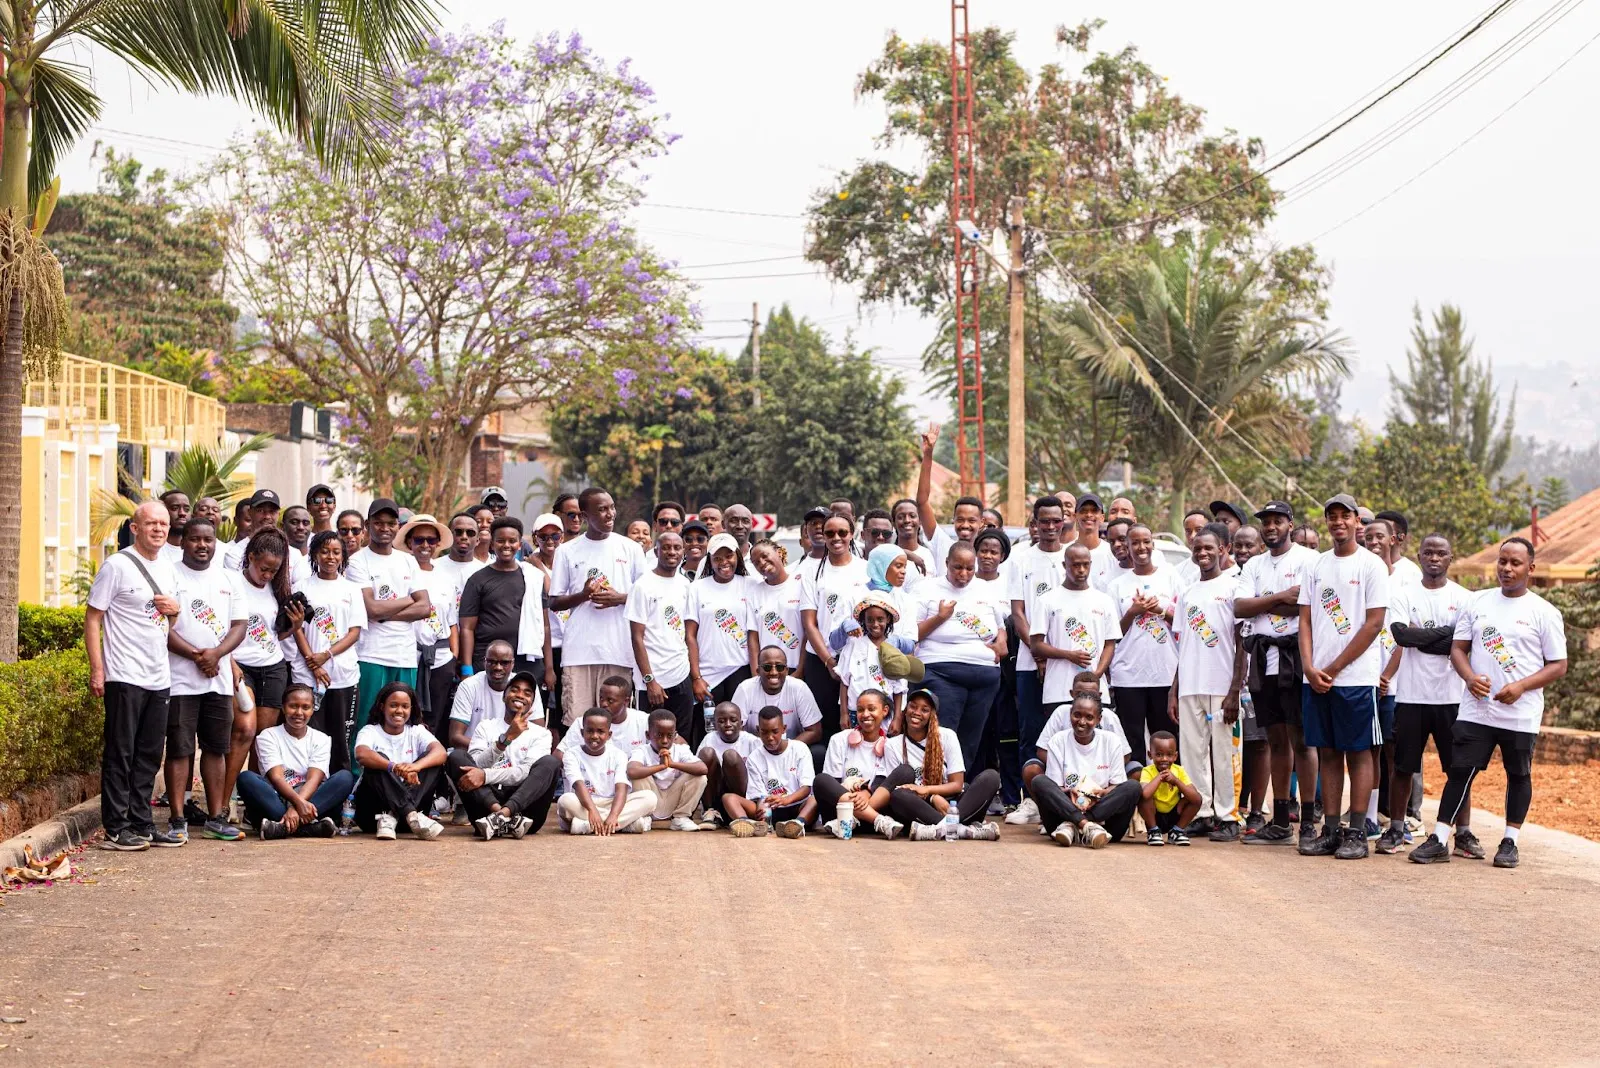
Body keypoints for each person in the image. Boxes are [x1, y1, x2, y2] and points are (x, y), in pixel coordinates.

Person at [1412, 538, 1567, 869]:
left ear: (1531, 569)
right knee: (1460, 771)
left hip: (1520, 712)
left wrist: (1521, 686)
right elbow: (1458, 649)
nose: (1507, 569)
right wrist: (1469, 678)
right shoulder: (1477, 603)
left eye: (1515, 563)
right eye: (1502, 562)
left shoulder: (1544, 612)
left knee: (1518, 774)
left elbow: (1558, 664)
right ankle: (1439, 838)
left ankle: (1510, 841)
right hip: (1477, 709)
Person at [1297, 494, 1390, 860]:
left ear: (1357, 522)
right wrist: (1309, 666)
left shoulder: (1371, 566)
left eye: (1344, 516)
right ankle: (1331, 829)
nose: (1338, 522)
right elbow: (1304, 619)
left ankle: (1356, 833)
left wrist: (1333, 668)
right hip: (1316, 677)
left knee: (1359, 752)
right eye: (1331, 516)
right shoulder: (1316, 566)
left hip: (1354, 678)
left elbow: (1375, 623)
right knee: (1328, 752)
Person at [1378, 533, 1477, 856]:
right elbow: (1401, 635)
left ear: (1450, 558)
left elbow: (1464, 645)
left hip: (1452, 697)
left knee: (1458, 769)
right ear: (1419, 556)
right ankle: (1395, 829)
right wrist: (1447, 635)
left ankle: (1462, 833)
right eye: (1428, 553)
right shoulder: (1404, 594)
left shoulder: (1464, 598)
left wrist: (1428, 638)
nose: (1434, 558)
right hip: (1411, 696)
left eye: (1441, 554)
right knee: (1404, 767)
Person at [1235, 501, 1320, 846]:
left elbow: (1304, 605)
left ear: (1290, 523)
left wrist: (1265, 600)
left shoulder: (1309, 560)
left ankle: (1311, 821)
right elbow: (1240, 607)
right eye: (1266, 522)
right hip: (1263, 658)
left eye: (1277, 521)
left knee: (1302, 739)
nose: (1271, 527)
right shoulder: (1254, 563)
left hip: (1296, 658)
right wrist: (1281, 597)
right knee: (1276, 740)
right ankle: (1281, 819)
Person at [164, 515, 247, 844]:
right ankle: (177, 819)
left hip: (218, 681)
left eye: (208, 540)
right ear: (183, 542)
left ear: (216, 543)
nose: (202, 545)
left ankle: (215, 818)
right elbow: (163, 629)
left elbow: (239, 625)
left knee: (216, 748)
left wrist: (216, 655)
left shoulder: (229, 579)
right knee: (180, 749)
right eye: (195, 539)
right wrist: (199, 656)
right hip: (181, 679)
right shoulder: (169, 576)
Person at [1171, 528, 1246, 841]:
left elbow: (1242, 644)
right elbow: (1182, 644)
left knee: (1225, 754)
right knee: (1192, 753)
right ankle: (1201, 812)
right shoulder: (1188, 592)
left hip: (1221, 686)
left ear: (1223, 549)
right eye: (1197, 548)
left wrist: (1234, 690)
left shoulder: (1234, 587)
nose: (1202, 553)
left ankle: (1228, 816)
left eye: (1209, 548)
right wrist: (1173, 691)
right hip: (1190, 685)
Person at [550, 487, 646, 726]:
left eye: (611, 507)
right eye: (602, 509)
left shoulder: (631, 549)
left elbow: (648, 597)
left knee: (615, 725)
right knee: (578, 724)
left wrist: (621, 598)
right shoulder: (566, 551)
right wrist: (583, 595)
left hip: (620, 652)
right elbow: (554, 602)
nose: (610, 514)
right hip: (578, 653)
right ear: (584, 516)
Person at [915, 542, 1007, 770]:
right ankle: (935, 787)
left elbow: (1000, 626)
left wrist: (1002, 642)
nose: (963, 574)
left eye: (969, 568)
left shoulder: (985, 589)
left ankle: (959, 791)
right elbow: (912, 634)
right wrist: (940, 617)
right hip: (941, 670)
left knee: (971, 740)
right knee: (944, 734)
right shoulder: (926, 589)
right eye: (957, 567)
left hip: (984, 674)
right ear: (946, 563)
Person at [346, 498, 432, 742]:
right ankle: (359, 774)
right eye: (378, 523)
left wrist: (384, 612)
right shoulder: (357, 561)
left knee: (403, 720)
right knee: (367, 718)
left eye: (391, 523)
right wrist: (407, 600)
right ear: (367, 525)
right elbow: (371, 609)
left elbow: (424, 607)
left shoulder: (407, 560)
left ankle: (394, 772)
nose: (385, 528)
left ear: (398, 525)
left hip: (405, 655)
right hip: (371, 654)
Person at [1006, 496, 1068, 826]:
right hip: (1030, 664)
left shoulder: (1072, 557)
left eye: (1055, 520)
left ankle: (1061, 799)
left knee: (1064, 732)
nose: (1049, 526)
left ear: (1063, 522)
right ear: (1035, 522)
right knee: (1030, 731)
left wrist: (1053, 655)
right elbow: (1018, 613)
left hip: (1069, 664)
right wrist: (1038, 653)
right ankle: (1030, 799)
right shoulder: (1020, 560)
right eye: (1043, 520)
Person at [446, 669, 560, 839]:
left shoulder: (541, 734)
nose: (520, 695)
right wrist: (504, 740)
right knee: (456, 757)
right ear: (504, 696)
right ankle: (498, 815)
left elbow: (525, 773)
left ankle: (503, 815)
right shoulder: (486, 726)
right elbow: (475, 766)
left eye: (527, 693)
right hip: (485, 809)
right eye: (514, 689)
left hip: (525, 812)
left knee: (550, 763)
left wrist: (485, 775)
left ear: (532, 703)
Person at [231, 527, 297, 817]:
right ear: (251, 557)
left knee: (263, 737)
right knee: (243, 731)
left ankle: (253, 805)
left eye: (274, 570)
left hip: (272, 666)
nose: (267, 575)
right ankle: (225, 800)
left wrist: (293, 627)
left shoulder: (277, 588)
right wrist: (229, 663)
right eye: (263, 568)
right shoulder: (230, 583)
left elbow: (273, 635)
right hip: (239, 665)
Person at [288, 530, 365, 772]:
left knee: (341, 736)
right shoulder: (300, 587)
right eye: (324, 551)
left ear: (343, 556)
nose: (330, 557)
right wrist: (314, 663)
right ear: (314, 554)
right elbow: (296, 628)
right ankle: (306, 787)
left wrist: (327, 655)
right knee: (309, 734)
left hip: (342, 676)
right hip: (306, 676)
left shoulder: (352, 589)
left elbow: (354, 632)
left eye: (336, 552)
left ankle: (339, 791)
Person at [1105, 524, 1181, 767]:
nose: (1141, 547)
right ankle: (1135, 797)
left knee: (1166, 740)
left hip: (1165, 673)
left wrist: (1159, 609)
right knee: (1132, 740)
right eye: (1134, 543)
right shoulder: (1116, 585)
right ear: (1126, 548)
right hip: (1129, 675)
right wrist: (1133, 612)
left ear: (1153, 544)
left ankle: (1167, 798)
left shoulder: (1170, 576)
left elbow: (1185, 621)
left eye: (1146, 541)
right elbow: (1112, 632)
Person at [238, 683, 353, 839]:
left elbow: (314, 779)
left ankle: (281, 828)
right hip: (278, 797)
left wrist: (296, 808)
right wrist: (297, 804)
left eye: (305, 707)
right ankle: (310, 828)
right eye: (293, 706)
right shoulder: (268, 736)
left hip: (310, 798)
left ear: (313, 710)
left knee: (345, 777)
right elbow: (276, 777)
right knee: (246, 778)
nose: (299, 712)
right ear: (284, 708)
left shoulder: (322, 739)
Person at [884, 688, 1001, 840]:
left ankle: (938, 829)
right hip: (919, 806)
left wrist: (929, 791)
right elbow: (900, 787)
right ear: (905, 710)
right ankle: (964, 830)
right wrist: (931, 798)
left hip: (953, 804)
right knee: (897, 795)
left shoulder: (947, 736)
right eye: (913, 706)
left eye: (925, 709)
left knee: (990, 777)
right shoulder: (892, 745)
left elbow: (957, 784)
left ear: (932, 715)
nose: (917, 712)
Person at [1029, 692, 1142, 848]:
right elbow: (1056, 788)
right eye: (1077, 715)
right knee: (1039, 781)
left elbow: (1117, 785)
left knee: (1133, 787)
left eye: (1089, 717)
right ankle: (1086, 826)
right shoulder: (1058, 740)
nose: (1082, 722)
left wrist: (1099, 794)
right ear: (1070, 714)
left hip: (1105, 823)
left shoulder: (1111, 741)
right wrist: (1075, 795)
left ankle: (1078, 824)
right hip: (1062, 818)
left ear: (1098, 719)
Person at [1029, 542, 1119, 731]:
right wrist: (1068, 655)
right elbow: (1036, 645)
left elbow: (1110, 644)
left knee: (1096, 746)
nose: (1081, 570)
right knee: (1059, 746)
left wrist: (1095, 677)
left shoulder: (1104, 600)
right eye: (1075, 565)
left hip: (1096, 691)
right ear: (1065, 565)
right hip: (1058, 690)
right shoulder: (1047, 600)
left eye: (1086, 564)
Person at [799, 511, 870, 732]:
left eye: (842, 532)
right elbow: (809, 623)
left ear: (852, 534)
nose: (836, 537)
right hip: (821, 660)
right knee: (826, 725)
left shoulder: (866, 569)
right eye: (830, 533)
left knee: (859, 721)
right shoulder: (811, 572)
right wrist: (829, 661)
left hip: (860, 657)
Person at [459, 517, 552, 684]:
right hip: (489, 660)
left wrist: (549, 668)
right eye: (500, 541)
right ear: (492, 544)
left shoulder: (533, 578)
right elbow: (467, 628)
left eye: (512, 541)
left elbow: (544, 625)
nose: (506, 545)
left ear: (520, 544)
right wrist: (466, 668)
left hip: (527, 661)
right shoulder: (477, 580)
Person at [627, 529, 697, 743]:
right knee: (650, 739)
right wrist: (650, 681)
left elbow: (687, 633)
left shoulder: (685, 584)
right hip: (652, 680)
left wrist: (693, 676)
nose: (672, 552)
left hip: (680, 674)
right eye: (666, 547)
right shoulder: (642, 586)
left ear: (683, 552)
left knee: (681, 739)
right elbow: (636, 638)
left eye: (677, 548)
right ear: (656, 551)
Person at [352, 682, 446, 839]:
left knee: (431, 763)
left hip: (408, 821)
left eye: (405, 706)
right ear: (382, 707)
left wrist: (415, 767)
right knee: (377, 761)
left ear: (411, 709)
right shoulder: (370, 731)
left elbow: (441, 752)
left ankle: (397, 815)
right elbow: (361, 754)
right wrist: (393, 767)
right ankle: (409, 814)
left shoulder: (416, 731)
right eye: (393, 705)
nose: (399, 711)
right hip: (374, 817)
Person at [808, 690, 904, 839]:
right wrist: (853, 794)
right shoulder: (839, 739)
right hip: (839, 814)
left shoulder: (891, 745)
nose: (865, 714)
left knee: (904, 772)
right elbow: (832, 783)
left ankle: (859, 818)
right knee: (821, 780)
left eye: (871, 709)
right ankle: (880, 821)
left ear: (884, 711)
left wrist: (867, 793)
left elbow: (886, 783)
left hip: (859, 817)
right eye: (860, 710)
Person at [402, 514, 461, 743]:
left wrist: (454, 657)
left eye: (430, 540)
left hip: (441, 657)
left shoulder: (446, 578)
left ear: (437, 544)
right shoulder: (403, 573)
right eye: (419, 540)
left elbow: (453, 622)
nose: (425, 545)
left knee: (435, 717)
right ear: (409, 543)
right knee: (407, 716)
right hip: (410, 656)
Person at [687, 533, 760, 715]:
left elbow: (754, 634)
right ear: (709, 561)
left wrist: (756, 675)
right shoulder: (697, 588)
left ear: (738, 556)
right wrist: (696, 677)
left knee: (741, 727)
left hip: (741, 670)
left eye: (729, 556)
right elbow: (690, 636)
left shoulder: (751, 584)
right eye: (717, 558)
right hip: (708, 674)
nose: (724, 562)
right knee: (709, 729)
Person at [558, 708, 656, 835]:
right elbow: (578, 784)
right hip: (585, 804)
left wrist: (613, 815)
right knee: (565, 800)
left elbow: (621, 788)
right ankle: (622, 825)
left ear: (609, 735)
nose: (594, 736)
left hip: (612, 804)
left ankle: (587, 826)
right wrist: (592, 810)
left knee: (650, 798)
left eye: (600, 732)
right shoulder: (571, 754)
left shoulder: (618, 755)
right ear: (582, 732)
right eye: (590, 731)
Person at [723, 706, 814, 838]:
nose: (770, 737)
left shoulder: (800, 748)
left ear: (784, 729)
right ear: (758, 730)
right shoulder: (754, 757)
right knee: (728, 798)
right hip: (769, 809)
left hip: (796, 806)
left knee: (814, 799)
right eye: (764, 732)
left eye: (775, 731)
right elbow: (758, 795)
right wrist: (762, 808)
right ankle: (747, 824)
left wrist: (786, 800)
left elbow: (806, 787)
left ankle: (797, 824)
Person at [913, 422, 984, 578]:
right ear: (953, 520)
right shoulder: (942, 544)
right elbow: (922, 502)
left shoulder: (988, 556)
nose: (965, 525)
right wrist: (928, 454)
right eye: (960, 519)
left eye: (971, 520)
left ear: (982, 523)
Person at [732, 647, 823, 759]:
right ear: (758, 671)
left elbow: (815, 731)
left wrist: (785, 749)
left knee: (818, 752)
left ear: (787, 670)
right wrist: (760, 751)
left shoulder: (799, 688)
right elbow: (735, 730)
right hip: (754, 753)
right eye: (767, 667)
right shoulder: (745, 689)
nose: (774, 672)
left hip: (791, 750)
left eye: (779, 667)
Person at [627, 709, 709, 831]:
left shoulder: (681, 750)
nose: (665, 741)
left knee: (699, 776)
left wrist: (672, 764)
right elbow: (632, 771)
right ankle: (645, 818)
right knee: (639, 774)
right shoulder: (641, 751)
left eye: (669, 736)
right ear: (648, 735)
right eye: (659, 735)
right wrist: (661, 766)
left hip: (673, 800)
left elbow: (703, 768)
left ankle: (680, 818)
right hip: (650, 802)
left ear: (675, 735)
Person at [695, 701, 760, 829]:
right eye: (722, 721)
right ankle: (711, 812)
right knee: (706, 753)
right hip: (715, 794)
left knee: (731, 756)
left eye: (733, 720)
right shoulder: (709, 739)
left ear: (741, 724)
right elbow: (698, 771)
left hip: (740, 796)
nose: (728, 724)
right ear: (714, 724)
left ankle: (737, 811)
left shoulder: (752, 741)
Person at [747, 539, 806, 673]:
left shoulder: (801, 584)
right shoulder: (754, 592)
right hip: (768, 671)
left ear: (779, 553)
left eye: (765, 556)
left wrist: (801, 670)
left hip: (797, 668)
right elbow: (753, 637)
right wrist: (756, 673)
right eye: (756, 562)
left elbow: (808, 631)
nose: (761, 563)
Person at [554, 675, 648, 758]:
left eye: (610, 700)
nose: (603, 704)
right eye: (601, 698)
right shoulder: (584, 722)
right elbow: (559, 754)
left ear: (626, 701)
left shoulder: (643, 721)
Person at [449, 641, 521, 746]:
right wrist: (493, 750)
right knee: (457, 756)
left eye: (504, 663)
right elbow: (455, 737)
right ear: (484, 662)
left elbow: (539, 732)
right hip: (475, 753)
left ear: (513, 663)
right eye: (492, 662)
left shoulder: (525, 686)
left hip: (514, 755)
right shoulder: (469, 686)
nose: (498, 667)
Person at [1138, 731, 1202, 846]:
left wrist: (1176, 781)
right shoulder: (1147, 771)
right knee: (1142, 796)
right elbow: (1145, 795)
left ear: (1175, 756)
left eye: (1169, 754)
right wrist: (1160, 777)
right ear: (1149, 754)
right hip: (1154, 815)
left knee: (1195, 797)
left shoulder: (1179, 771)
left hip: (1174, 814)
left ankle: (1177, 831)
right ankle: (1153, 831)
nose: (1164, 759)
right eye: (1159, 754)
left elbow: (1196, 798)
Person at [890, 497, 935, 579]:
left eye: (912, 516)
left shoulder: (929, 554)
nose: (907, 520)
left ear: (920, 521)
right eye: (901, 517)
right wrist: (908, 554)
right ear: (893, 523)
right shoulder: (887, 554)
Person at [1375, 510, 1421, 587]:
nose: (1376, 538)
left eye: (1385, 531)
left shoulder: (1411, 573)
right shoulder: (1367, 566)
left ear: (1401, 538)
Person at [157, 491, 190, 564]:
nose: (182, 513)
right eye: (175, 508)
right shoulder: (153, 549)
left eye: (186, 509)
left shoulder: (198, 549)